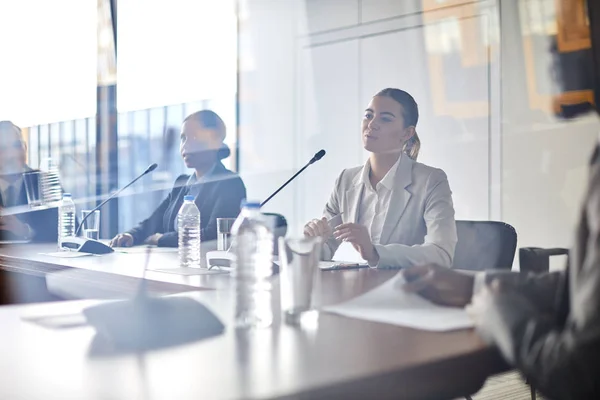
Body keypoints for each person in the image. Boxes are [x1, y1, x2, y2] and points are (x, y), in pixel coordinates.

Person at [401, 4, 600, 396]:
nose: (551, 48)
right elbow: (584, 287)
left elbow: (578, 374)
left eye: (569, 27)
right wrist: (478, 285)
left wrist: (500, 311)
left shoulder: (432, 179)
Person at [303, 88, 457, 268]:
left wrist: (373, 251)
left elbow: (441, 254)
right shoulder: (346, 179)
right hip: (353, 287)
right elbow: (328, 248)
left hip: (403, 289)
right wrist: (314, 242)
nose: (372, 124)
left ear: (406, 133)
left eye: (385, 119)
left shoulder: (431, 180)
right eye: (368, 116)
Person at [110, 110, 246, 248]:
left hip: (206, 265)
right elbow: (153, 221)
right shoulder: (182, 183)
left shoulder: (229, 182)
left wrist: (161, 239)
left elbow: (211, 235)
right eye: (183, 138)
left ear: (214, 141)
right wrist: (131, 235)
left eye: (193, 138)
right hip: (173, 263)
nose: (185, 146)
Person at [0, 121, 60, 242]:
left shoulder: (44, 181)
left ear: (25, 148)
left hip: (36, 258)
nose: (12, 154)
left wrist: (25, 230)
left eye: (17, 145)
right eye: (2, 148)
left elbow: (69, 231)